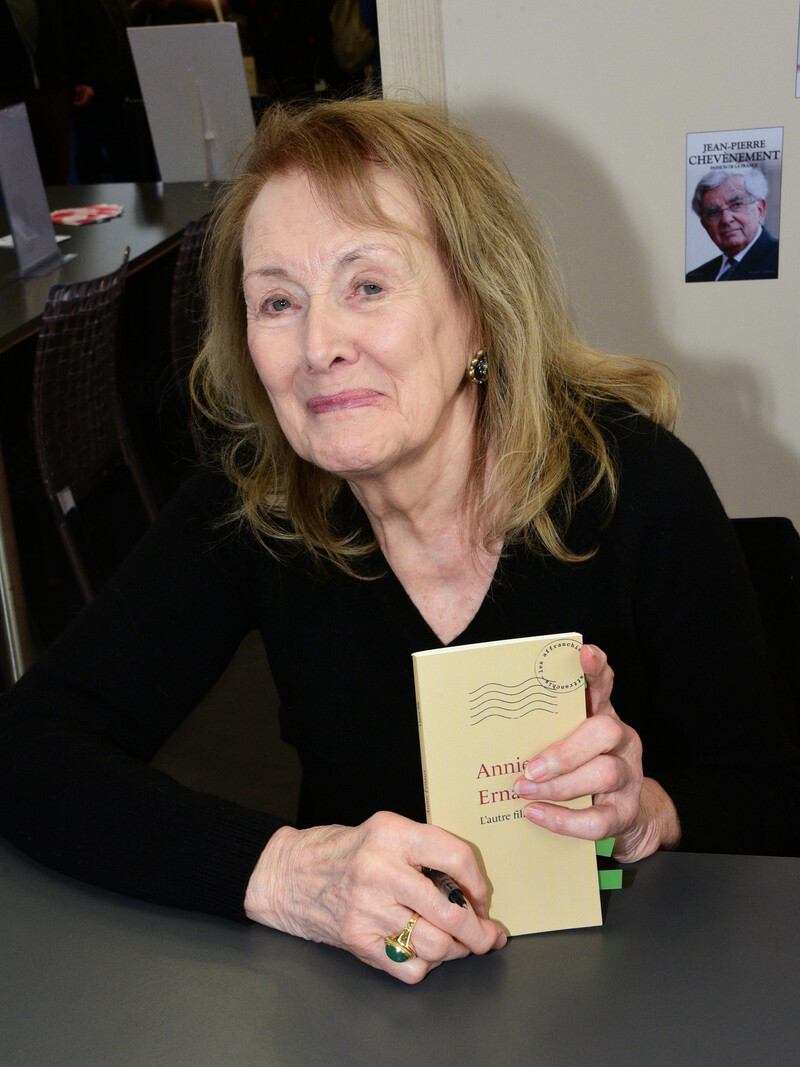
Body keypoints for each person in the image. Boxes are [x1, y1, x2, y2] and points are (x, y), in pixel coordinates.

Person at [1, 98, 798, 985]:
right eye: (277, 300)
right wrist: (286, 872)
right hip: (368, 1005)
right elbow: (31, 747)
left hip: (630, 992)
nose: (317, 345)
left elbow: (767, 793)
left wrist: (645, 813)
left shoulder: (636, 485)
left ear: (481, 311)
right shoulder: (254, 506)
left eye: (367, 285)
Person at [686, 169, 779, 282]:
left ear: (760, 210)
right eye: (714, 212)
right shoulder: (694, 277)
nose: (726, 219)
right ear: (705, 225)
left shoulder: (783, 261)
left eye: (737, 204)